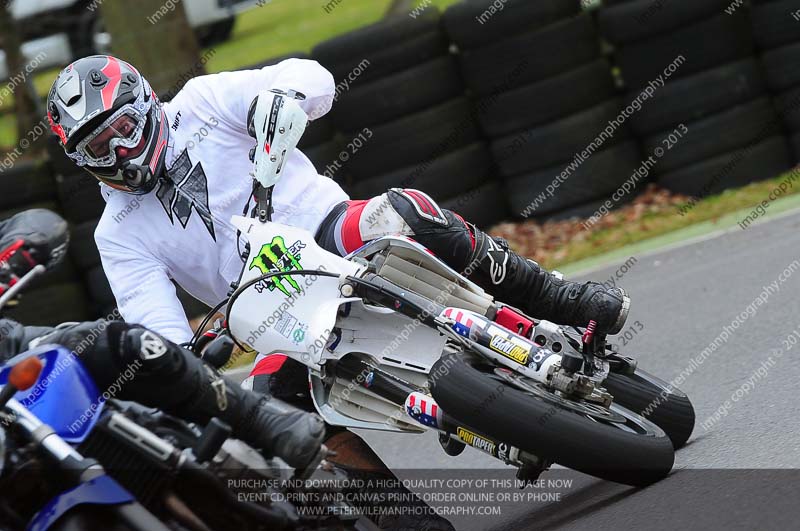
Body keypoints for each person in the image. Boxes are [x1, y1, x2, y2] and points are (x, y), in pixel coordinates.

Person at [46, 54, 629, 527]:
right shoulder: (116, 233)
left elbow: (308, 76)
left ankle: (560, 300)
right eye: (99, 148)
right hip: (268, 306)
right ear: (83, 162)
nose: (120, 152)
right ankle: (412, 524)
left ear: (146, 104)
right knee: (272, 404)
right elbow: (156, 331)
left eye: (122, 129)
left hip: (328, 227)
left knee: (402, 212)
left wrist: (285, 99)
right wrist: (184, 360)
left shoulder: (200, 101)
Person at [0, 209, 326, 471]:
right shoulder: (116, 234)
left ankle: (257, 418)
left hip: (8, 352)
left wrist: (12, 256)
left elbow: (36, 226)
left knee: (121, 344)